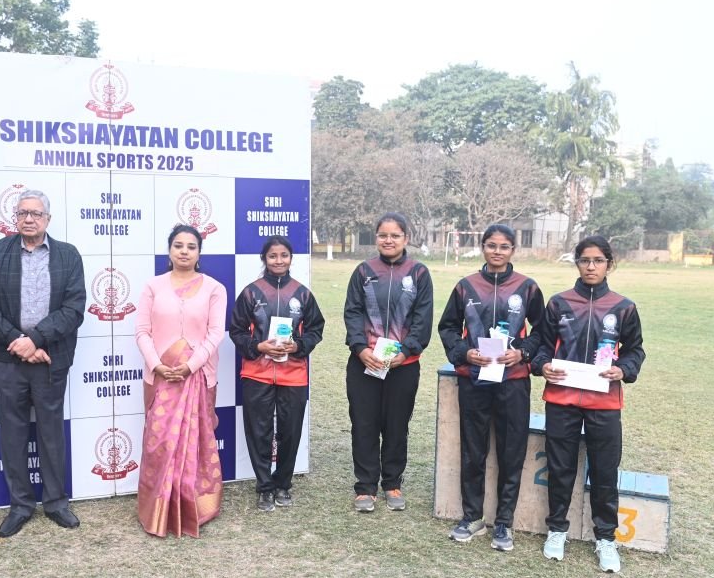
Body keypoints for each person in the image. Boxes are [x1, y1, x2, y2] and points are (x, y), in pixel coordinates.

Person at [531, 235, 645, 573]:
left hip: (604, 402)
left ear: (609, 264)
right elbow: (540, 347)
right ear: (577, 263)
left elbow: (635, 351)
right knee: (560, 467)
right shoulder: (558, 304)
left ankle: (606, 538)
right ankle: (557, 530)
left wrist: (623, 369)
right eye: (585, 260)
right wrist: (542, 366)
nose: (591, 266)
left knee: (605, 471)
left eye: (598, 260)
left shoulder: (624, 307)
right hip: (562, 399)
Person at [0, 190, 86, 538]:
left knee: (51, 433)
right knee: (12, 433)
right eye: (22, 212)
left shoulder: (68, 255)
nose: (28, 219)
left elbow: (74, 309)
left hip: (51, 358)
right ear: (15, 217)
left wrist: (35, 340)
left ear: (47, 219)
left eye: (36, 214)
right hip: (9, 358)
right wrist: (19, 342)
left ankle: (55, 503)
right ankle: (20, 506)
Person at [438, 224, 544, 551]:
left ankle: (504, 523)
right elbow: (447, 327)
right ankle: (472, 517)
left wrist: (522, 352)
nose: (497, 251)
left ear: (513, 250)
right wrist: (464, 353)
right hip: (475, 379)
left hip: (513, 381)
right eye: (491, 245)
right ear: (483, 247)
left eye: (504, 246)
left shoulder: (527, 287)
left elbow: (542, 332)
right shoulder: (466, 286)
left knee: (511, 452)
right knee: (474, 450)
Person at [134, 224, 226, 537]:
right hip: (161, 377)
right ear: (170, 250)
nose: (184, 251)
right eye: (178, 245)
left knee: (196, 442)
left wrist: (190, 365)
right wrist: (158, 365)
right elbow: (142, 332)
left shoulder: (214, 288)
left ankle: (194, 505)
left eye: (191, 246)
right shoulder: (153, 287)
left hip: (197, 376)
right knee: (159, 442)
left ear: (199, 252)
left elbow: (216, 333)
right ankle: (157, 508)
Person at [344, 212, 433, 512]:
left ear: (406, 238)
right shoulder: (363, 271)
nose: (388, 240)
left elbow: (422, 319)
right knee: (364, 423)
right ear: (376, 237)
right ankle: (365, 486)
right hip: (365, 363)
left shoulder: (418, 273)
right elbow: (352, 312)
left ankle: (392, 483)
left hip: (402, 366)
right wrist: (360, 349)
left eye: (395, 235)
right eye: (383, 235)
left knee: (396, 425)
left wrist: (405, 352)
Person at [229, 236, 325, 512]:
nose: (279, 260)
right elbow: (236, 331)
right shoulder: (251, 293)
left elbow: (316, 329)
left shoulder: (303, 294)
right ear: (264, 259)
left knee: (290, 432)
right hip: (257, 374)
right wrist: (257, 346)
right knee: (259, 432)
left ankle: (283, 484)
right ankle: (264, 487)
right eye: (273, 256)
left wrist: (298, 346)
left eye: (284, 255)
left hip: (293, 375)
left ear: (291, 258)